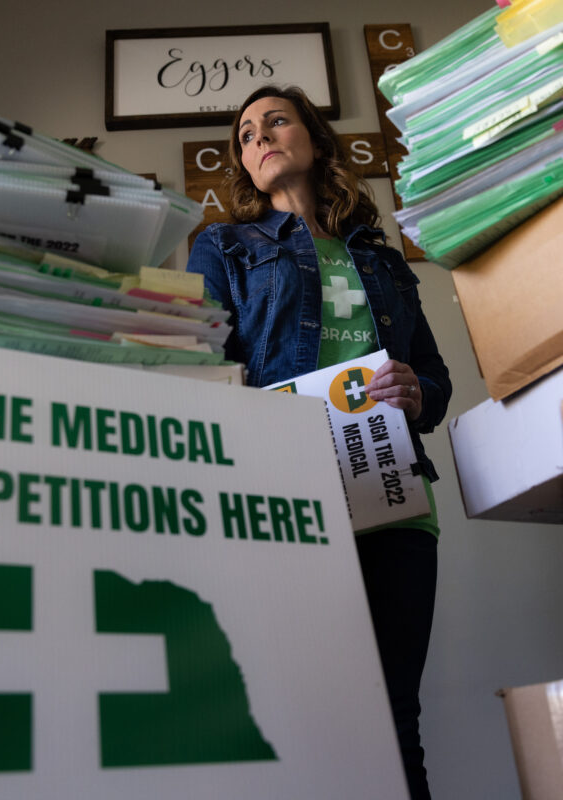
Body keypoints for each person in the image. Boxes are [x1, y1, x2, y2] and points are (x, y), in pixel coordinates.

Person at [187, 84, 451, 800]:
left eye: (277, 121)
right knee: (293, 718)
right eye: (246, 133)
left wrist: (417, 391)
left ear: (314, 139)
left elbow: (434, 378)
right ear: (243, 164)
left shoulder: (384, 259)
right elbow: (196, 364)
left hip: (393, 499)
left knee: (395, 720)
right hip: (282, 498)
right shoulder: (221, 246)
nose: (261, 136)